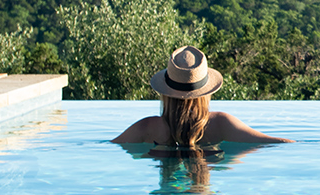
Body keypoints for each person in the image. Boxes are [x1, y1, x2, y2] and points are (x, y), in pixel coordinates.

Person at [111, 46, 294, 146]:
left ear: (165, 92)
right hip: (201, 183)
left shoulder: (146, 127)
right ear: (205, 92)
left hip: (168, 189)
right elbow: (273, 142)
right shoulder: (221, 124)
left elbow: (108, 148)